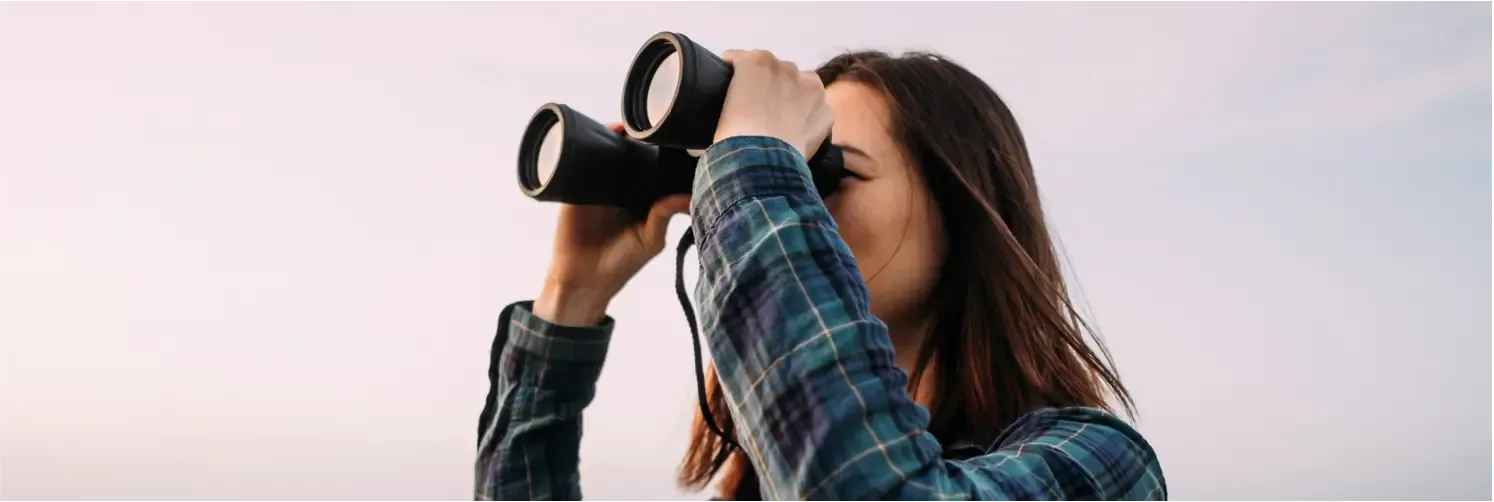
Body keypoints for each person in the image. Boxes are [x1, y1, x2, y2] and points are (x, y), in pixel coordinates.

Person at [474, 48, 1167, 501]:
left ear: (961, 217)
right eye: (786, 172)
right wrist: (572, 298)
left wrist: (751, 164)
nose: (790, 200)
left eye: (822, 171)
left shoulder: (1100, 466)